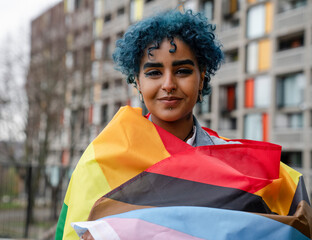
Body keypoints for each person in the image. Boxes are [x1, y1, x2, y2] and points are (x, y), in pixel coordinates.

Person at [56, 9, 312, 240]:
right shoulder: (101, 161)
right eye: (154, 72)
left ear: (202, 78)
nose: (168, 84)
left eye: (182, 71)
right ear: (137, 82)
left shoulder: (245, 169)